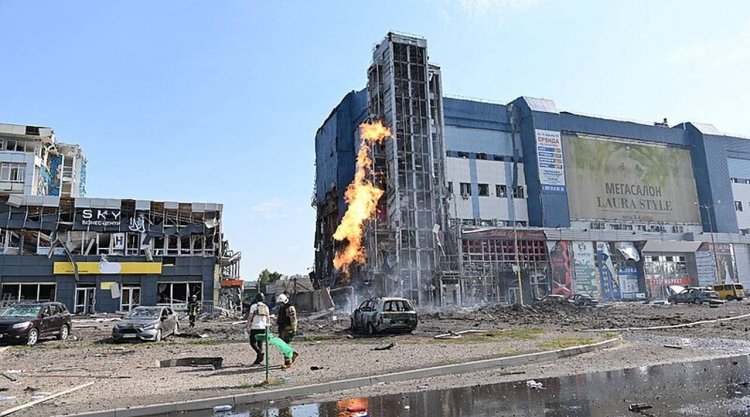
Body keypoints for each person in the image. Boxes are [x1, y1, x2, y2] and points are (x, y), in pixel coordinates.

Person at [247, 293, 270, 365]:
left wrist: (248, 325)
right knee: (260, 343)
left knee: (252, 342)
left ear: (256, 299)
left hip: (255, 327)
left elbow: (250, 317)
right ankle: (258, 360)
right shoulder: (266, 307)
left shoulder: (253, 306)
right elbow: (268, 318)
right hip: (263, 327)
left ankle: (260, 353)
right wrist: (268, 327)